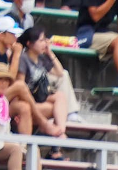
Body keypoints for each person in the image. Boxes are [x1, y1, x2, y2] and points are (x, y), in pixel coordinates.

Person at [13, 28, 73, 156]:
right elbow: (20, 86)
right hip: (26, 102)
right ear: (29, 43)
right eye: (41, 41)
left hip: (38, 99)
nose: (44, 44)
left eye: (44, 40)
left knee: (60, 97)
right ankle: (56, 144)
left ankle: (60, 132)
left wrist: (50, 53)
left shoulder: (41, 58)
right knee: (52, 108)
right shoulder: (23, 59)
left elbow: (60, 72)